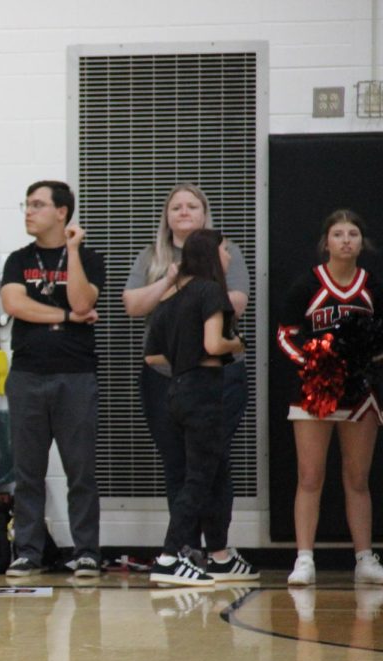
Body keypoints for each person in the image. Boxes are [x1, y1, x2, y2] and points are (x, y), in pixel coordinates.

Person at [123, 184, 250, 557]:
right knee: (177, 462)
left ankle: (219, 550)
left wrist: (193, 282)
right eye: (175, 206)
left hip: (218, 376)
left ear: (204, 213)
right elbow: (133, 304)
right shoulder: (152, 256)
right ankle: (183, 549)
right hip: (167, 375)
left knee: (214, 461)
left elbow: (236, 304)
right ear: (166, 216)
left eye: (191, 206)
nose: (183, 212)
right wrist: (173, 278)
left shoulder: (227, 252)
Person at [0, 180, 105, 579]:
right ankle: (28, 551)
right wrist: (65, 317)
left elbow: (82, 300)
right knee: (27, 471)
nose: (29, 211)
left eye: (38, 205)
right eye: (26, 204)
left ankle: (87, 552)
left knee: (81, 470)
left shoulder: (90, 258)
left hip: (76, 376)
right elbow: (14, 303)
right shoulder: (17, 259)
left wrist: (72, 251)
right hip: (27, 375)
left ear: (62, 212)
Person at [144, 229, 257, 585]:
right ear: (211, 254)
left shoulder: (170, 297)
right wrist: (236, 344)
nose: (228, 257)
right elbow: (213, 343)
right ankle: (168, 557)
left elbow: (151, 356)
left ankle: (220, 556)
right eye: (224, 251)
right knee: (199, 478)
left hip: (176, 391)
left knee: (218, 473)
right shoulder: (211, 291)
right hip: (205, 393)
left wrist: (183, 356)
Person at [276, 209, 383, 586]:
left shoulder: (373, 286)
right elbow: (286, 334)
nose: (346, 241)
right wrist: (316, 361)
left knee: (357, 477)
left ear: (361, 242)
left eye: (353, 234)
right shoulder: (307, 284)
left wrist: (366, 357)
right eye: (338, 234)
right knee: (309, 475)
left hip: (359, 393)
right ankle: (304, 558)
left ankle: (364, 557)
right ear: (326, 242)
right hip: (314, 391)